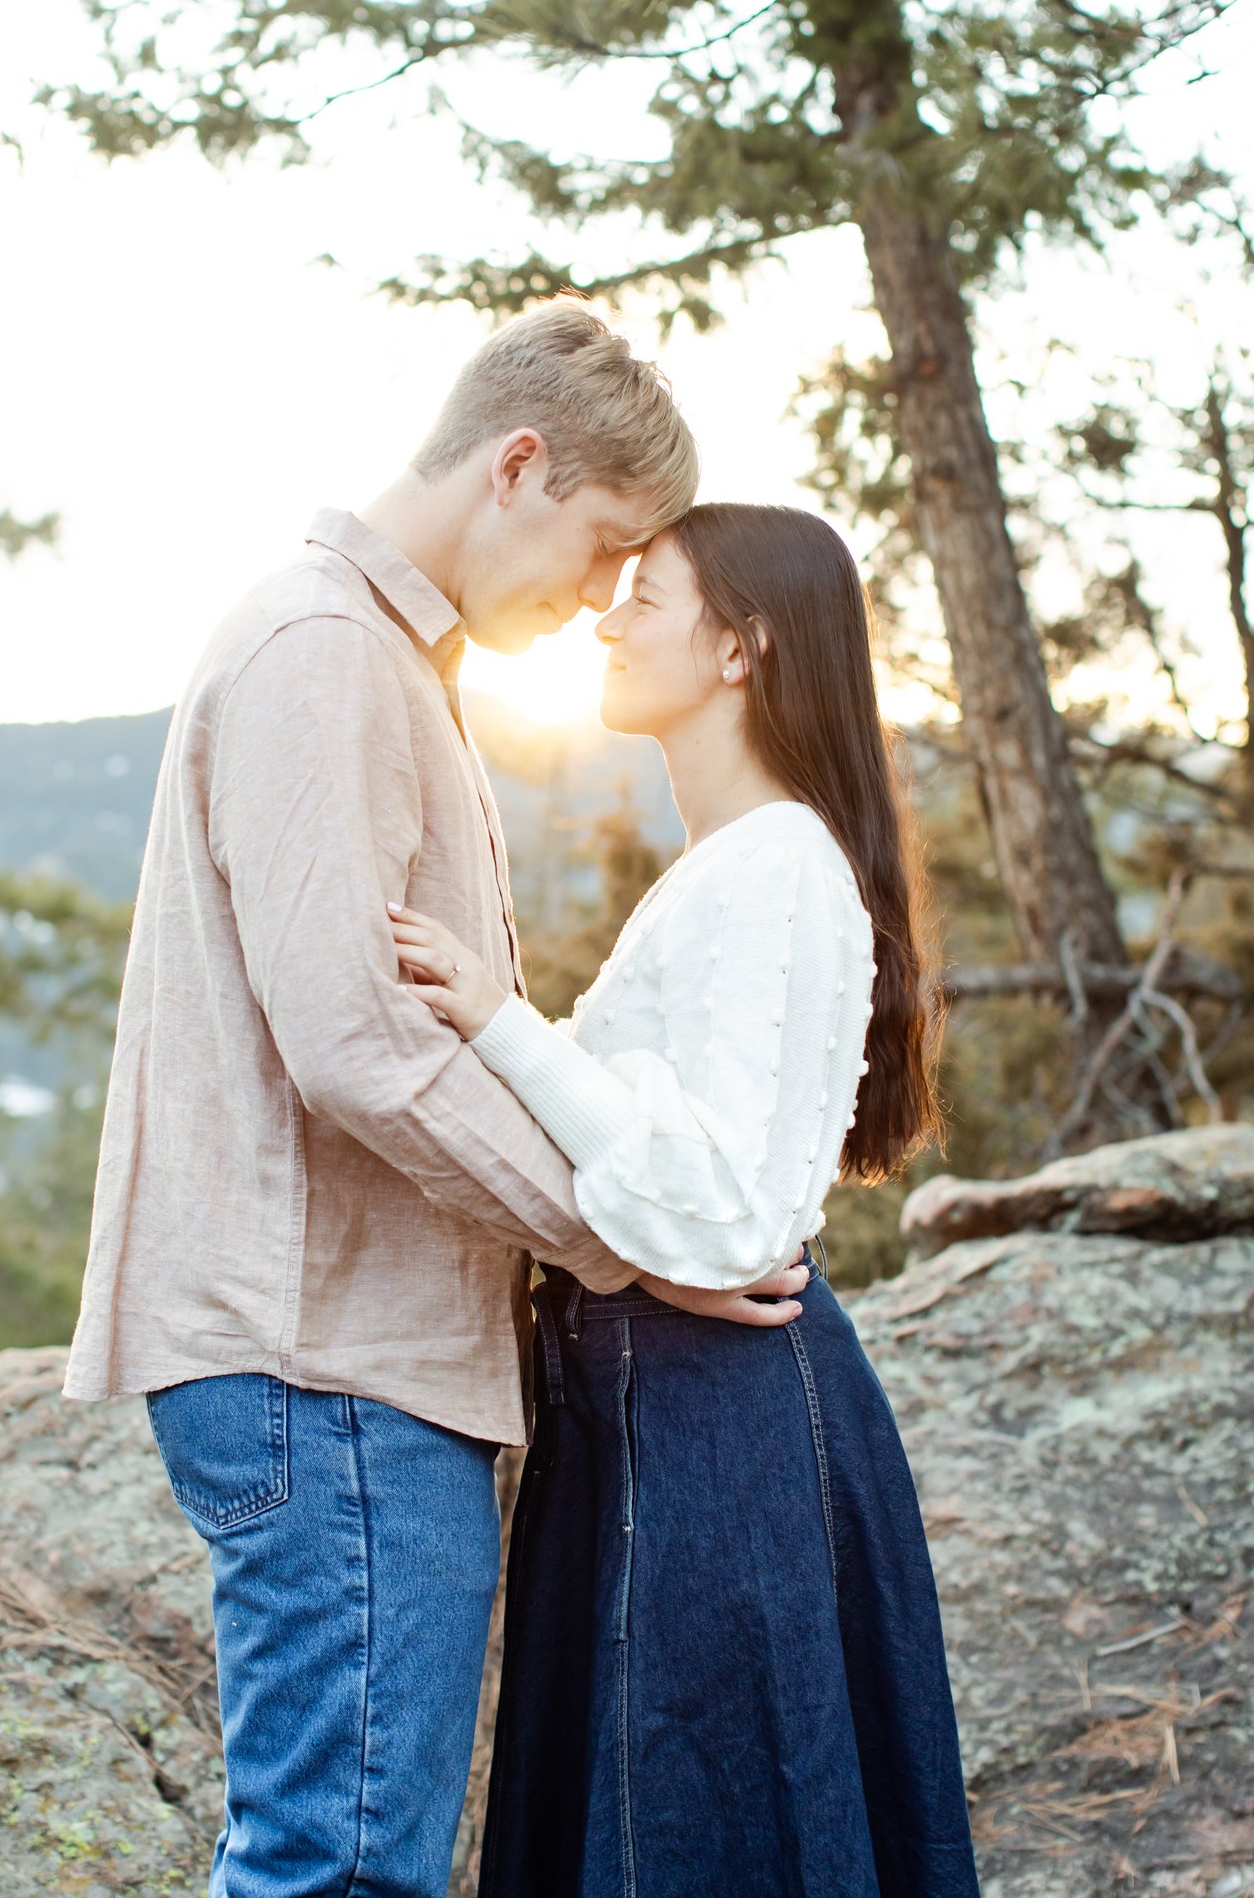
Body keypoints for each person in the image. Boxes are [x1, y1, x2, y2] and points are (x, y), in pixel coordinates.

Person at [64, 307, 811, 1898]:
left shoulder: (377, 656)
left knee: (340, 1863)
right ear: (517, 465)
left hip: (346, 1363)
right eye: (602, 547)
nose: (599, 599)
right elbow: (358, 1047)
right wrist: (626, 1246)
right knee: (339, 1875)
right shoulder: (324, 654)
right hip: (323, 1360)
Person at [390, 503, 982, 1898]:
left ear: (741, 647)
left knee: (703, 1836)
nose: (606, 615)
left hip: (717, 1413)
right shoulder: (738, 866)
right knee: (655, 1826)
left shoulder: (776, 866)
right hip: (667, 1402)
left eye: (644, 596)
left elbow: (718, 1212)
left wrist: (498, 1020)